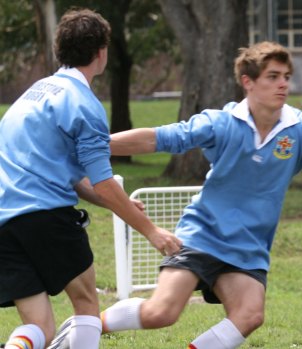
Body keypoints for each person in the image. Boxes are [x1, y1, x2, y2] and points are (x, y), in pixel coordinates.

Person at [71, 41, 302, 349]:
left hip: (249, 246)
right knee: (162, 313)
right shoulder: (222, 123)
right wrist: (97, 146)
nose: (283, 84)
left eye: (286, 76)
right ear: (248, 82)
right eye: (272, 77)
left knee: (250, 315)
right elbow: (158, 137)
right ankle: (81, 331)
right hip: (204, 234)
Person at [0, 8, 182, 349]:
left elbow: (65, 176)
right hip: (47, 216)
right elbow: (103, 182)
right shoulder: (84, 104)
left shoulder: (32, 94)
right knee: (86, 305)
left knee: (40, 328)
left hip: (4, 222)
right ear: (101, 52)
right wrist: (151, 231)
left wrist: (123, 204)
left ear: (60, 50)